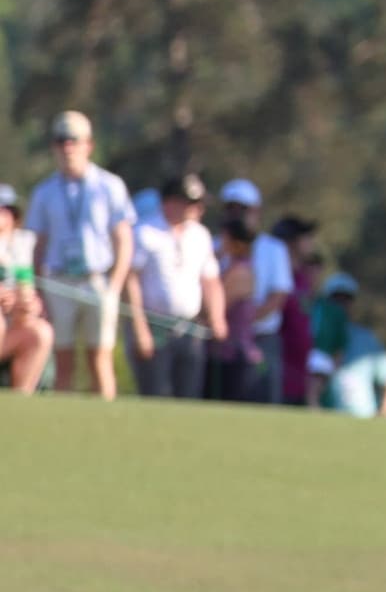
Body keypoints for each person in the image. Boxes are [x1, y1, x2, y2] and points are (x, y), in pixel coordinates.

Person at [29, 111, 138, 399]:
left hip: (97, 279)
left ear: (88, 144)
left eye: (74, 140)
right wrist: (38, 288)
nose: (67, 147)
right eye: (61, 140)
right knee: (63, 361)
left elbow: (123, 241)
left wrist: (114, 285)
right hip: (59, 281)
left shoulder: (109, 185)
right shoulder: (45, 191)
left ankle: (106, 426)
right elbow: (38, 246)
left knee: (99, 359)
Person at [131, 173, 229, 399]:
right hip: (154, 325)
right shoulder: (145, 232)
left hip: (189, 328)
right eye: (192, 202)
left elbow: (210, 280)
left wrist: (217, 316)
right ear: (171, 202)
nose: (198, 208)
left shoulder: (200, 235)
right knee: (155, 393)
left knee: (189, 394)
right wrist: (139, 328)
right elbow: (131, 281)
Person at [212, 181, 287, 404]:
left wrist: (243, 324)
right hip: (222, 342)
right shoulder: (214, 245)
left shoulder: (274, 248)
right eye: (230, 208)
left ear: (256, 211)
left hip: (261, 339)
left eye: (242, 209)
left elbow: (278, 297)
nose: (236, 215)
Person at [314, 276, 386, 418]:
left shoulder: (365, 338)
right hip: (327, 418)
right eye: (336, 299)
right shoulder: (317, 335)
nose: (341, 305)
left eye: (346, 299)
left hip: (363, 420)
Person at [0, 183, 51, 392]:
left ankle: (20, 402)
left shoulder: (22, 244)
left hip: (10, 327)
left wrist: (26, 303)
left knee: (40, 332)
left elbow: (25, 283)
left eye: (5, 210)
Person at [268, 217, 319, 404]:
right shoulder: (276, 278)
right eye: (305, 237)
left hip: (300, 374)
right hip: (281, 372)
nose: (310, 242)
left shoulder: (302, 278)